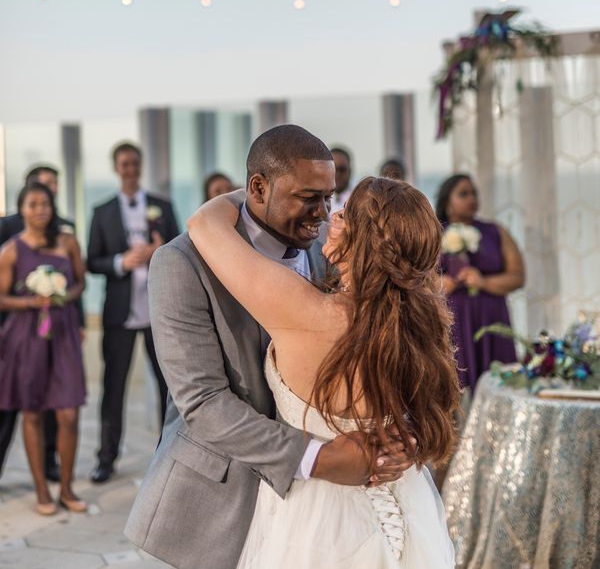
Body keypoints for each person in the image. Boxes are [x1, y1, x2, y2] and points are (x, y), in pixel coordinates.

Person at [126, 125, 451, 569]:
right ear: (258, 188)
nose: (322, 214)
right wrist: (320, 456)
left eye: (330, 199)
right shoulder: (182, 263)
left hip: (315, 516)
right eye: (308, 197)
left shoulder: (330, 248)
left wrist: (397, 428)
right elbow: (202, 401)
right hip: (223, 494)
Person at [87, 142, 179, 484]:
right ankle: (106, 457)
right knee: (114, 387)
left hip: (159, 311)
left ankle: (169, 454)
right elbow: (91, 261)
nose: (130, 169)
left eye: (135, 163)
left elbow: (182, 248)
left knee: (169, 387)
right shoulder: (102, 211)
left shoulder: (162, 206)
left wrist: (161, 251)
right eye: (125, 164)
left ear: (140, 166)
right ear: (116, 167)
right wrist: (120, 262)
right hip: (119, 314)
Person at [0, 182, 86, 515]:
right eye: (33, 204)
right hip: (26, 336)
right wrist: (30, 301)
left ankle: (66, 488)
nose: (40, 210)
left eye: (45, 204)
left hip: (62, 333)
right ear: (21, 209)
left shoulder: (68, 242)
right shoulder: (10, 250)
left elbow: (80, 282)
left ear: (52, 207)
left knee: (69, 414)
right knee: (32, 412)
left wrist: (64, 295)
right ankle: (42, 492)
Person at [436, 173, 526, 391]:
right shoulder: (433, 233)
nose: (471, 199)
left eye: (474, 193)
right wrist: (440, 283)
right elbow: (418, 275)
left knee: (500, 385)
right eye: (463, 194)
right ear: (448, 201)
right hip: (454, 319)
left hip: (492, 318)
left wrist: (483, 282)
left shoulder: (495, 231)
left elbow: (518, 276)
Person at [330, 146, 354, 212]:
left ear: (350, 171)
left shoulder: (359, 199)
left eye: (342, 169)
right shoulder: (317, 202)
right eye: (333, 169)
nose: (338, 174)